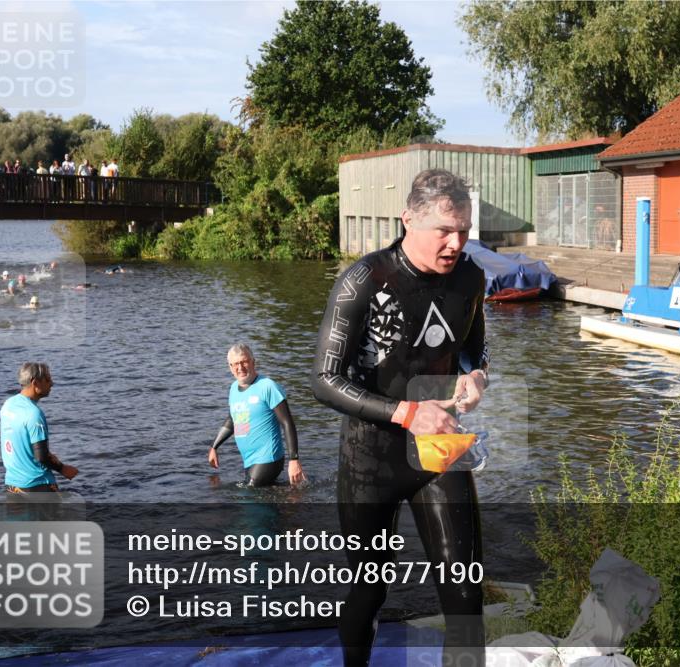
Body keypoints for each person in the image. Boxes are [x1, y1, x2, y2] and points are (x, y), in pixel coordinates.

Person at [311, 168, 489, 666]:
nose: (456, 243)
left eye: (465, 230)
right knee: (369, 592)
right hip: (371, 456)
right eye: (444, 230)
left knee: (466, 599)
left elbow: (476, 354)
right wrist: (407, 412)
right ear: (408, 220)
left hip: (439, 447)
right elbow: (324, 380)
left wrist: (474, 381)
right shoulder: (364, 281)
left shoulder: (471, 278)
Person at [208, 344, 305, 487]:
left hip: (268, 457)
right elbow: (232, 420)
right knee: (261, 495)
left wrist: (294, 460)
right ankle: (293, 495)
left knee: (249, 494)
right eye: (235, 364)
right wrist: (214, 447)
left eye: (244, 362)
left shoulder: (268, 386)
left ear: (253, 362)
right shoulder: (234, 389)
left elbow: (287, 422)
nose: (240, 367)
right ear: (230, 367)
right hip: (249, 459)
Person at [0, 362, 78, 493]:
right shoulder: (34, 414)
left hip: (12, 485)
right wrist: (63, 469)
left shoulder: (8, 406)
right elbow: (41, 457)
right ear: (35, 383)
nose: (52, 383)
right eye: (48, 379)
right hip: (38, 485)